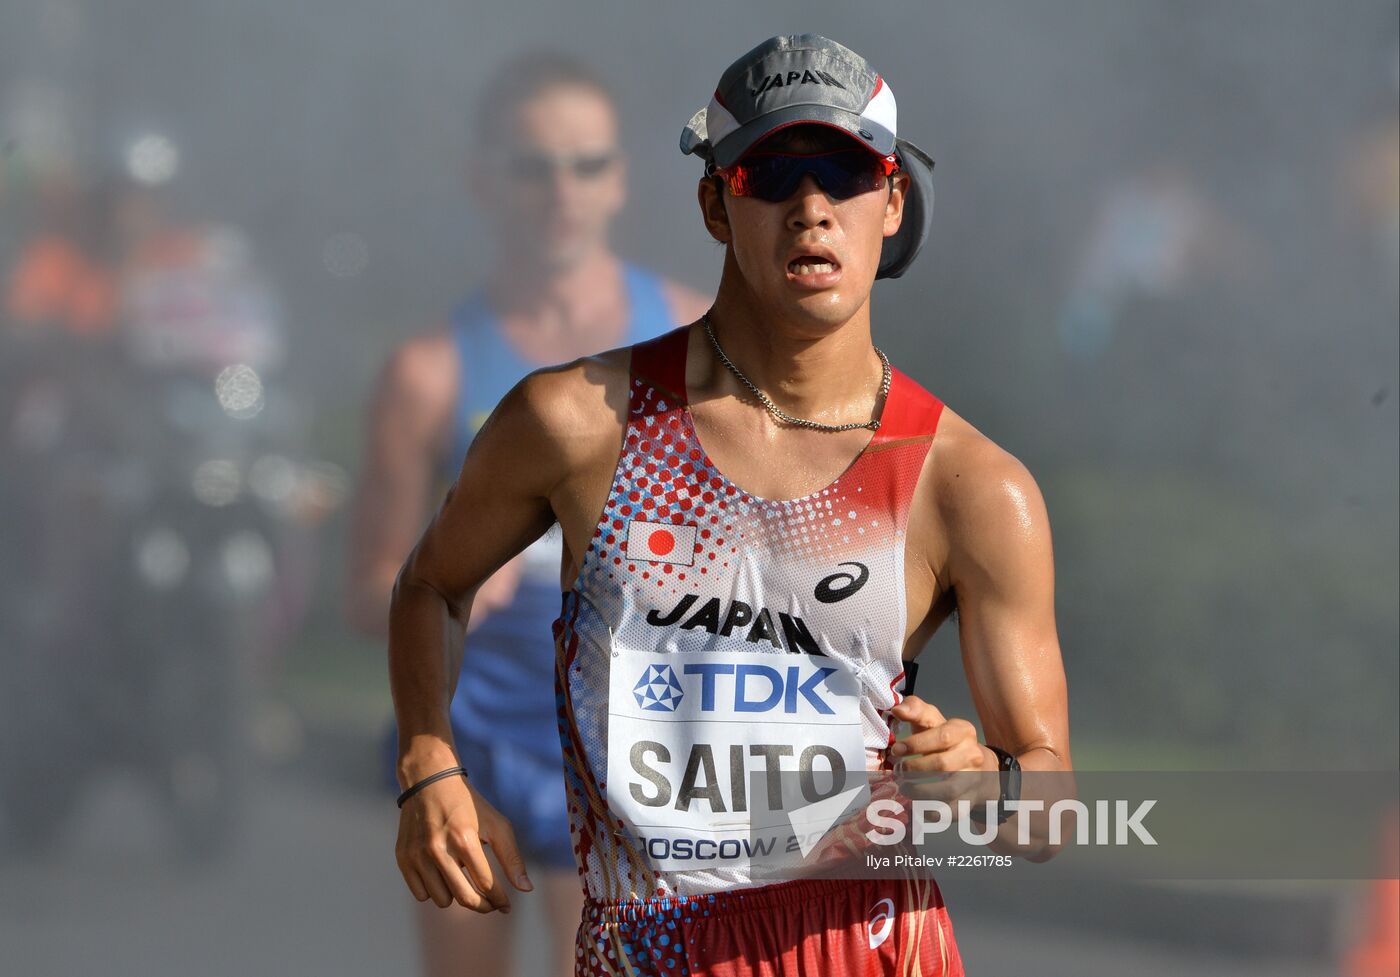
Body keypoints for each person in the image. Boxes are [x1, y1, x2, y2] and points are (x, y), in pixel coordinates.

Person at [387, 35, 1071, 976]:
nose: (813, 208)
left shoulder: (969, 483)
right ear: (717, 202)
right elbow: (429, 582)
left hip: (865, 946)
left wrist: (984, 784)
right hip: (648, 945)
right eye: (774, 173)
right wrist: (428, 760)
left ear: (894, 201)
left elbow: (1053, 801)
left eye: (844, 171)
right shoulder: (579, 421)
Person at [348, 52, 708, 977]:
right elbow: (370, 592)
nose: (562, 190)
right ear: (484, 180)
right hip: (478, 735)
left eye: (587, 164)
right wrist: (464, 552)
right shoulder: (426, 373)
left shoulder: (695, 338)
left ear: (621, 178)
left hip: (635, 733)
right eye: (533, 165)